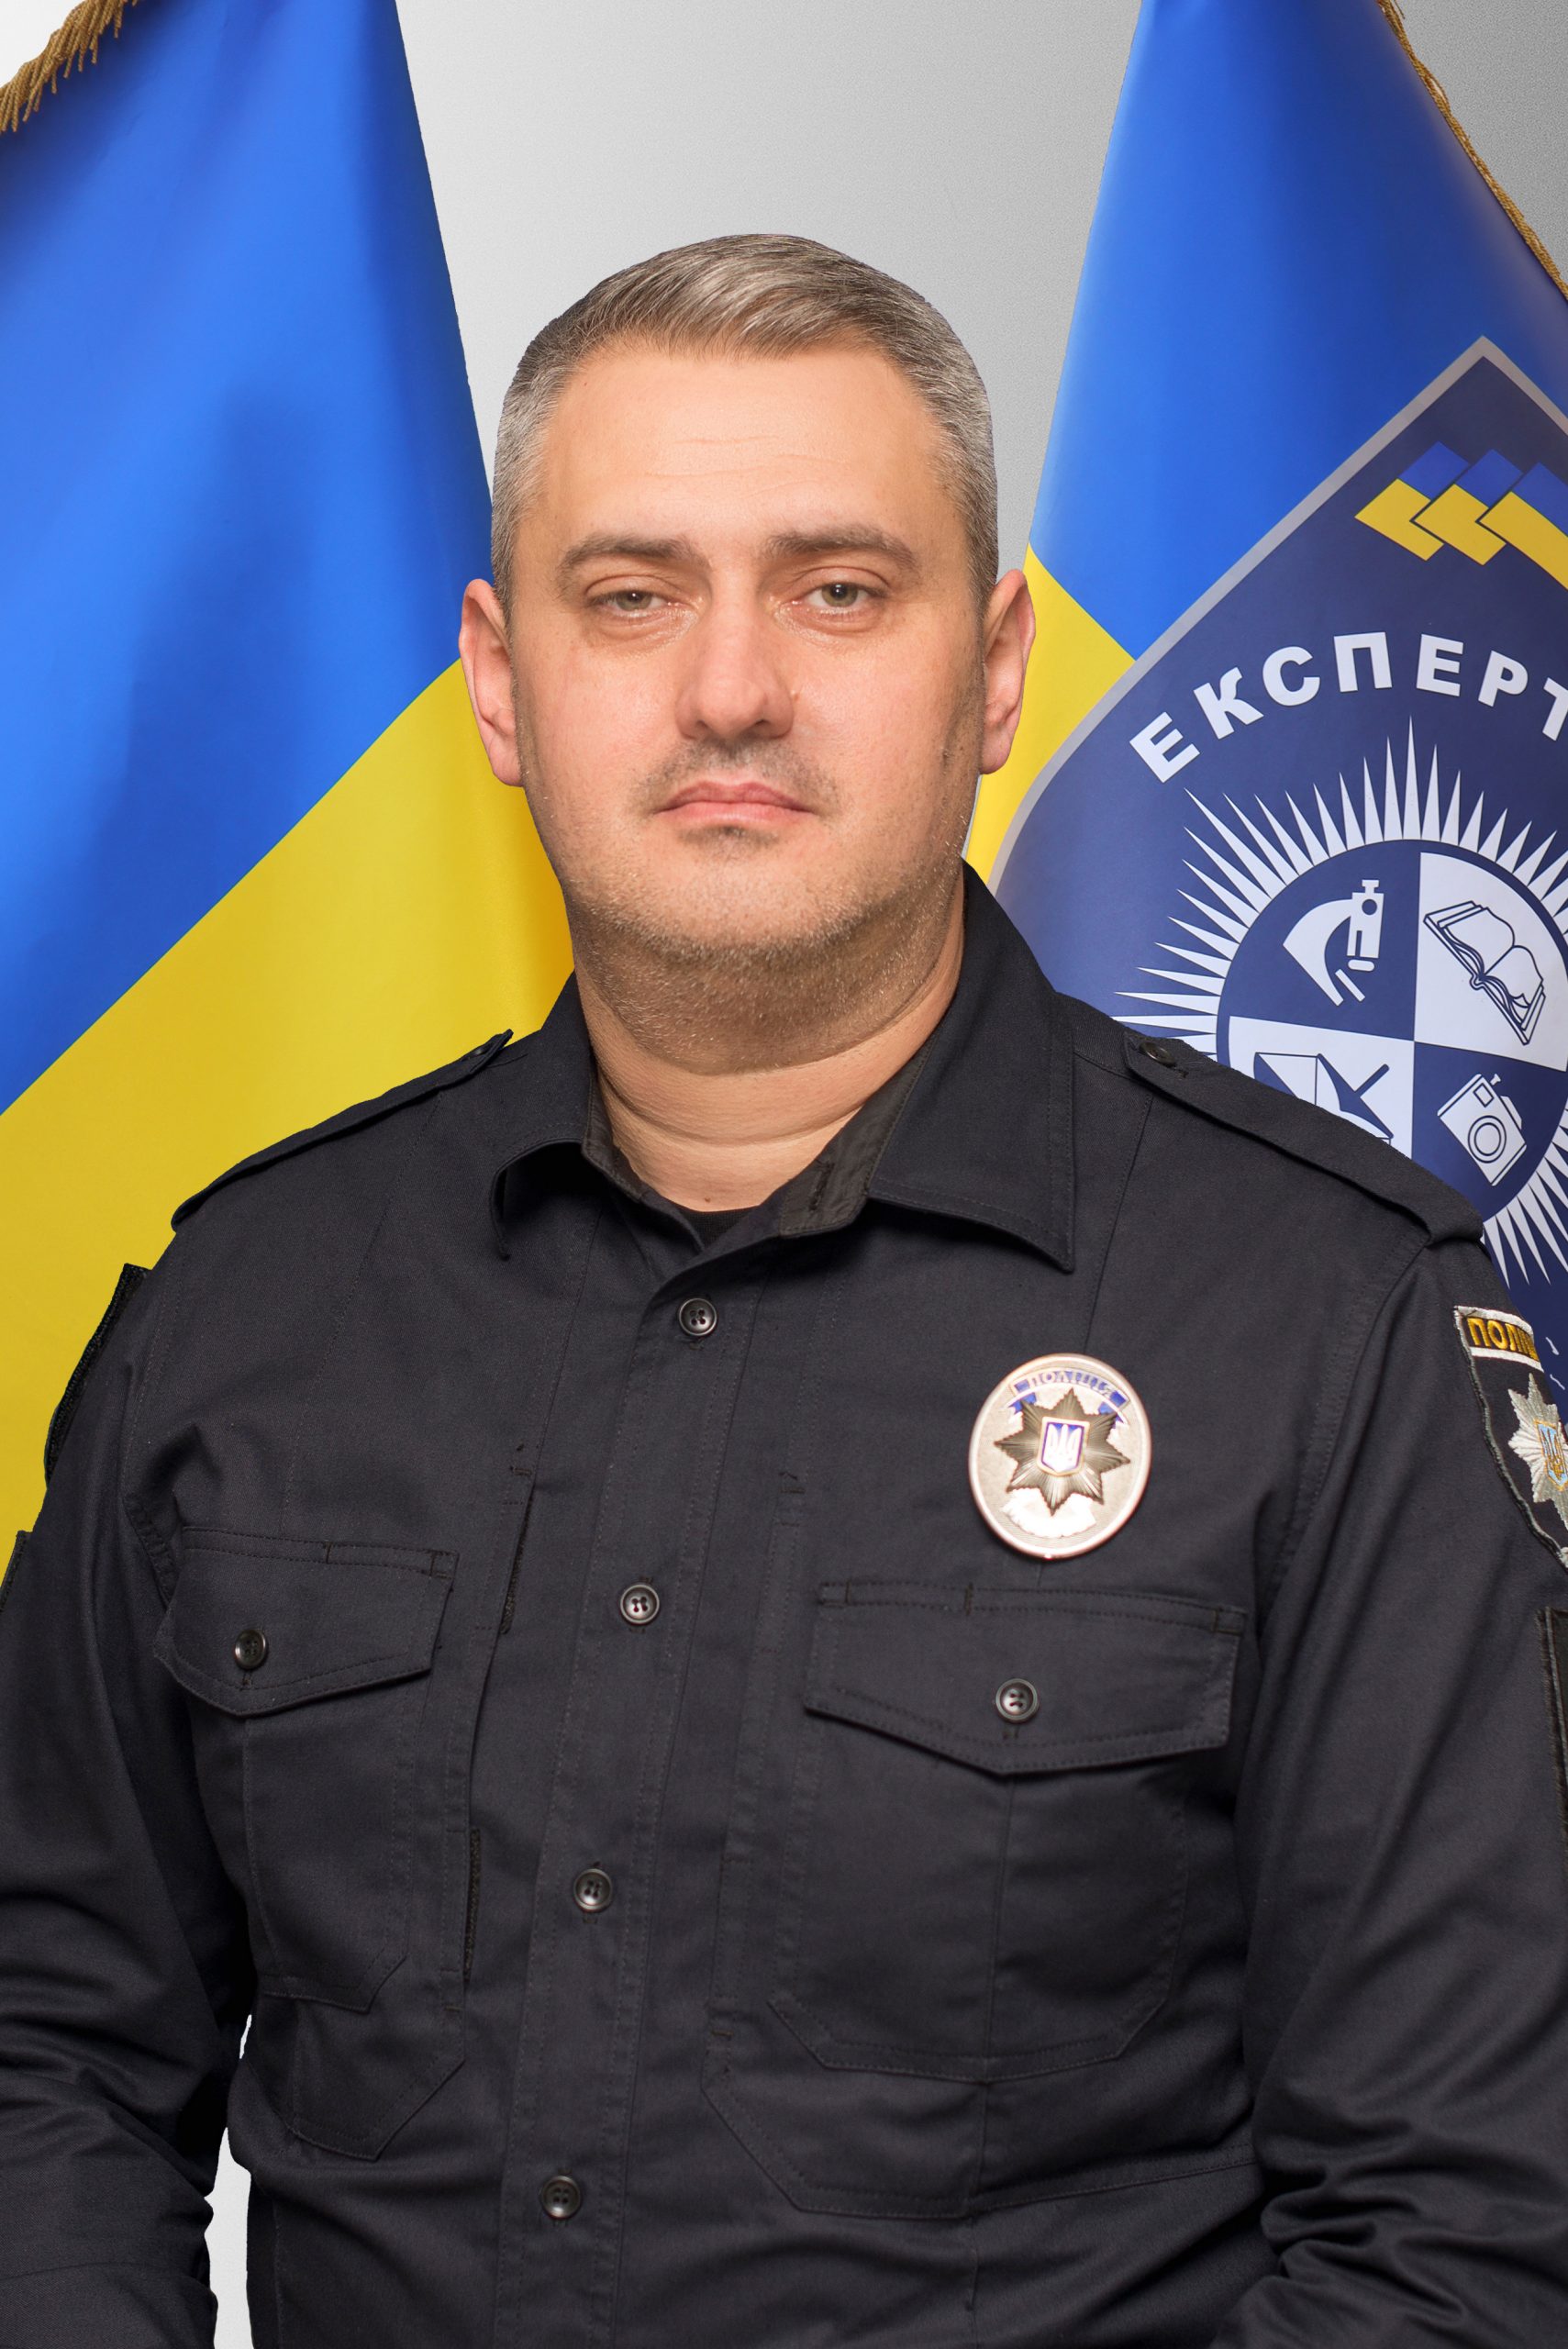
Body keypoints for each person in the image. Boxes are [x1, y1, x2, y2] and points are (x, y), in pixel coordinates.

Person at [3, 232, 1567, 2349]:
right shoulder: (247, 1307)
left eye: (838, 589)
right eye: (631, 594)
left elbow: (1467, 2228)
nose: (731, 687)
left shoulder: (1327, 1318)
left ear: (994, 670)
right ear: (498, 680)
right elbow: (46, 2049)